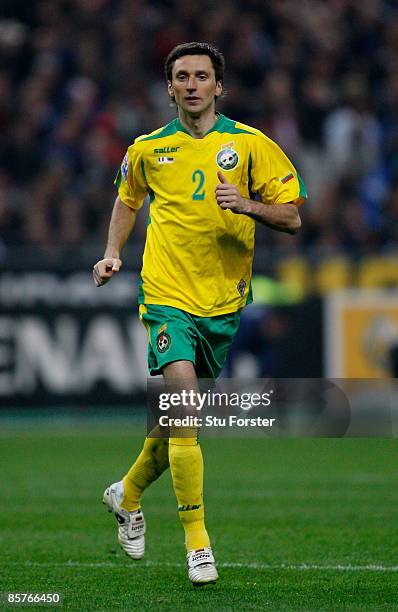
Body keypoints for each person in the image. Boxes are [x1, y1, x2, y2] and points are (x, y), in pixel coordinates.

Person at [93, 41, 307, 586]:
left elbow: (292, 218)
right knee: (184, 410)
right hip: (165, 296)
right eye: (182, 76)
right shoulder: (147, 149)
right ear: (170, 88)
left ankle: (127, 493)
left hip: (224, 304)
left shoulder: (251, 144)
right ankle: (198, 545)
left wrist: (248, 205)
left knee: (175, 424)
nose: (192, 84)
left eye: (201, 76)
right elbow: (126, 200)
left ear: (219, 86)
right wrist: (114, 251)